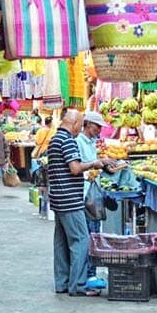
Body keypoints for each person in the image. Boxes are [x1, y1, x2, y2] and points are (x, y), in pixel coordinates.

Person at [47, 109, 115, 297]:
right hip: (70, 199)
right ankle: (77, 284)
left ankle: (62, 283)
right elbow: (75, 168)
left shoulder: (54, 139)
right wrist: (94, 163)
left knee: (61, 243)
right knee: (81, 240)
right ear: (76, 123)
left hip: (59, 199)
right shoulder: (68, 141)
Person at [76, 111, 111, 291]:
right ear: (88, 124)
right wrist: (92, 168)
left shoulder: (91, 143)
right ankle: (88, 276)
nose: (99, 130)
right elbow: (76, 168)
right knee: (89, 235)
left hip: (93, 193)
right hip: (85, 194)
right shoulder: (79, 142)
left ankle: (92, 273)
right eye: (97, 126)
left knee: (95, 233)